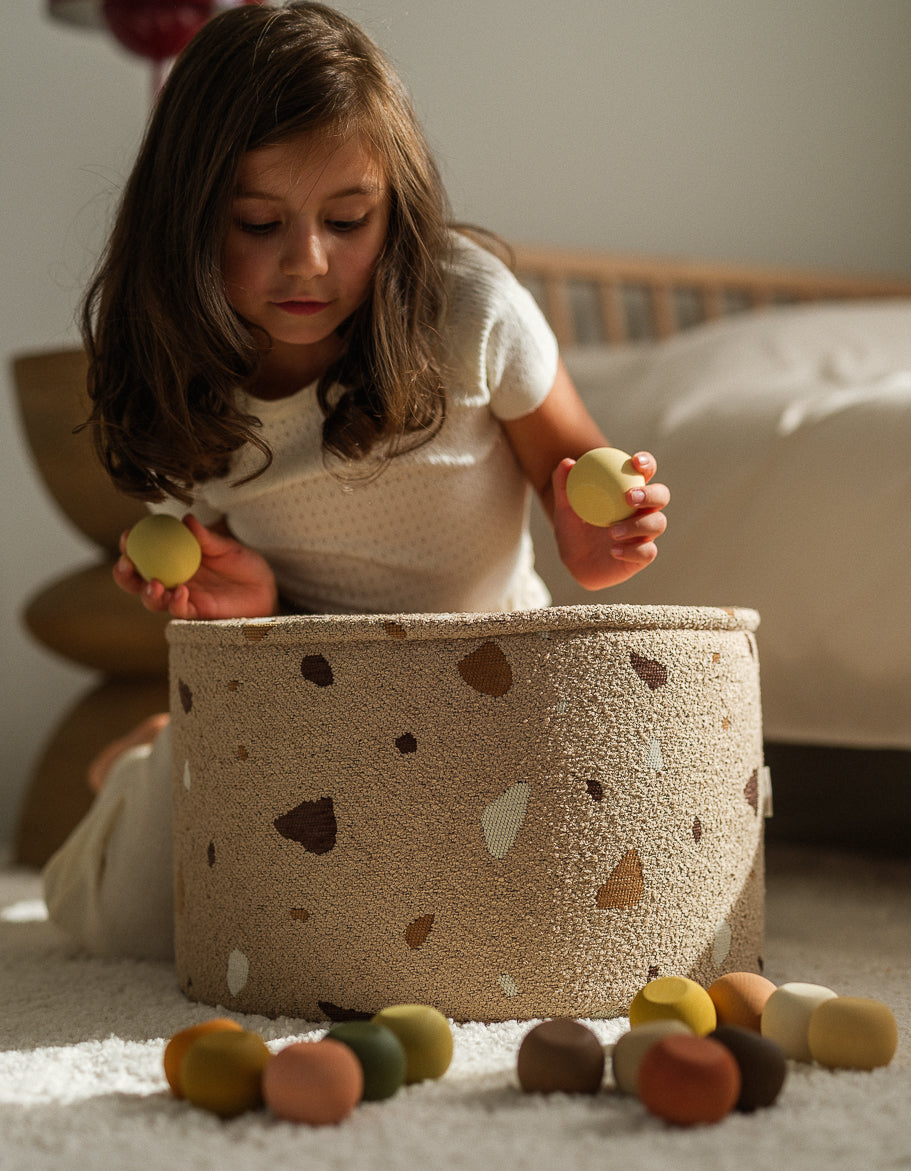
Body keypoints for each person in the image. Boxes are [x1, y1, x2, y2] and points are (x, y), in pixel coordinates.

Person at [42, 1, 669, 959]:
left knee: (531, 911)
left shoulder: (467, 311)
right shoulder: (182, 373)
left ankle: (159, 743)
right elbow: (240, 588)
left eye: (348, 219)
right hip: (300, 694)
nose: (308, 262)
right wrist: (243, 601)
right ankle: (141, 762)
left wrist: (595, 527)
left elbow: (570, 466)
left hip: (488, 686)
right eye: (257, 223)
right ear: (186, 220)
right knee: (126, 925)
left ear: (396, 206)